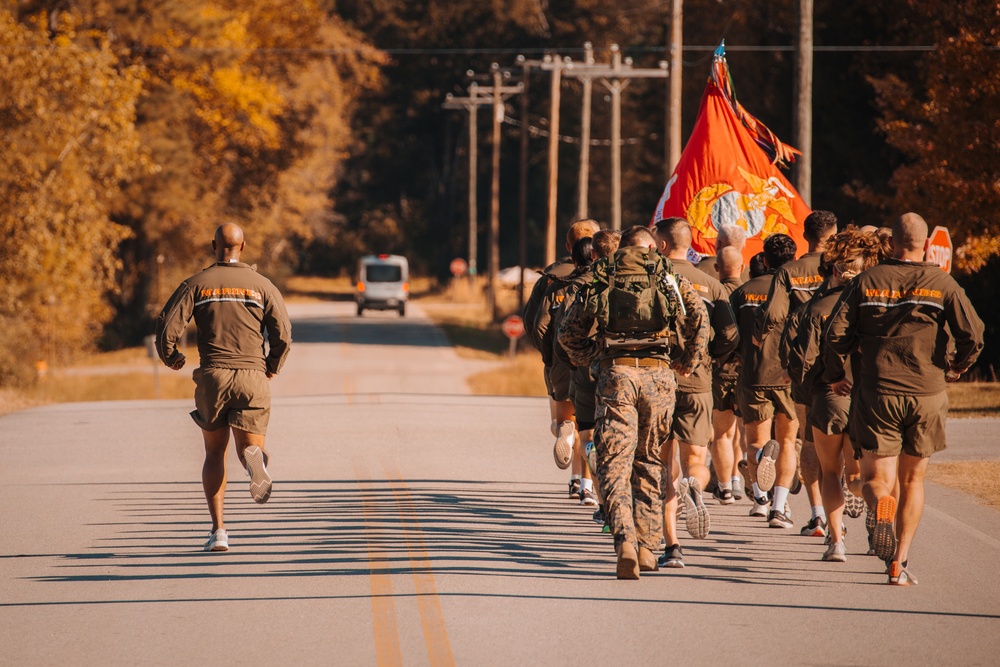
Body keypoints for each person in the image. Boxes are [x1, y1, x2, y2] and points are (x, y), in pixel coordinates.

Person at [823, 213, 984, 585]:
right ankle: (899, 561)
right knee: (914, 481)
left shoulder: (867, 280)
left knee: (875, 478)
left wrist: (835, 375)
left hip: (878, 389)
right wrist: (957, 367)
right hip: (927, 392)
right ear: (926, 244)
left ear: (891, 242)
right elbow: (973, 334)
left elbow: (836, 333)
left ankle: (879, 502)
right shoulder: (942, 282)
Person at [559, 226, 708, 579]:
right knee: (649, 461)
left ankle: (624, 539)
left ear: (621, 248)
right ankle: (648, 547)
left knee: (613, 462)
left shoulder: (603, 273)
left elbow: (567, 332)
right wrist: (687, 362)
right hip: (659, 378)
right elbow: (699, 320)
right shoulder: (665, 273)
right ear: (654, 247)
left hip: (616, 375)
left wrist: (593, 357)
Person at [155, 223, 292, 552]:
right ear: (243, 246)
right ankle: (253, 462)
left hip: (213, 377)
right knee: (248, 450)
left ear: (213, 245)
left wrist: (171, 357)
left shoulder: (197, 284)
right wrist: (271, 366)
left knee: (214, 453)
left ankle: (219, 531)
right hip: (252, 378)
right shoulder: (262, 286)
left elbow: (166, 326)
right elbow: (283, 334)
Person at [788, 227, 886, 561]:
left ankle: (836, 541)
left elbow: (799, 361)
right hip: (864, 399)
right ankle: (874, 512)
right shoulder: (874, 309)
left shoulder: (813, 310)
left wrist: (813, 389)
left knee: (830, 473)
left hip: (828, 398)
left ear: (832, 269)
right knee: (860, 475)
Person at [653, 218, 738, 548]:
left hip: (658, 379)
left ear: (661, 245)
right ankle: (694, 484)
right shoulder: (711, 284)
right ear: (687, 245)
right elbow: (730, 332)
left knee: (663, 464)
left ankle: (670, 543)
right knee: (696, 461)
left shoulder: (653, 279)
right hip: (698, 381)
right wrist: (709, 355)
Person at [755, 211, 838, 537]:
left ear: (805, 235)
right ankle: (850, 498)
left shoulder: (790, 271)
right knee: (842, 441)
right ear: (834, 234)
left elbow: (773, 314)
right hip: (841, 367)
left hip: (803, 367)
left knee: (802, 440)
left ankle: (817, 513)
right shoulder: (846, 270)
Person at [524, 220, 601, 484]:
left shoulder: (552, 277)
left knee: (564, 420)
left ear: (569, 246)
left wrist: (549, 357)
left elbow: (535, 322)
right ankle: (585, 484)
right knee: (591, 426)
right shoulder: (608, 274)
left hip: (560, 360)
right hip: (596, 361)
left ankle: (573, 470)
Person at [729, 233, 799, 527]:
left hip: (754, 374)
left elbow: (729, 334)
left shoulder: (743, 292)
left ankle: (761, 497)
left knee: (755, 443)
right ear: (793, 259)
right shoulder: (798, 291)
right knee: (786, 440)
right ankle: (779, 509)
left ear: (765, 259)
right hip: (789, 377)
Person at [712, 247, 749, 504]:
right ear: (743, 266)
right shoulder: (751, 292)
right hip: (749, 370)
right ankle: (754, 487)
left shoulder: (716, 292)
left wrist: (716, 357)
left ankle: (725, 486)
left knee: (723, 433)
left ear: (716, 268)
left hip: (723, 370)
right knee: (749, 432)